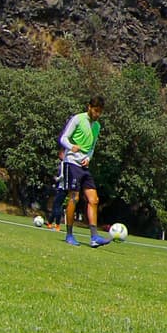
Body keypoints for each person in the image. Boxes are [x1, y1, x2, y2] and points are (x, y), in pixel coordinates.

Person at [58, 97, 109, 247]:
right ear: (89, 107)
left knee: (94, 199)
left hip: (83, 166)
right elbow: (63, 138)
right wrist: (71, 146)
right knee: (74, 197)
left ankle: (94, 237)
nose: (97, 114)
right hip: (71, 162)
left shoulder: (97, 126)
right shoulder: (78, 119)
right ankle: (69, 235)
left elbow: (92, 147)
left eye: (100, 112)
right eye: (95, 110)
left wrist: (88, 158)